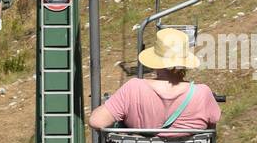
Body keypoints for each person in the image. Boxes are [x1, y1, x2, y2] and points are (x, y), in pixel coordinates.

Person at [88, 26, 220, 133]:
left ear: (156, 61)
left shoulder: (134, 89)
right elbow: (211, 125)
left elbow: (96, 121)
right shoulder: (202, 93)